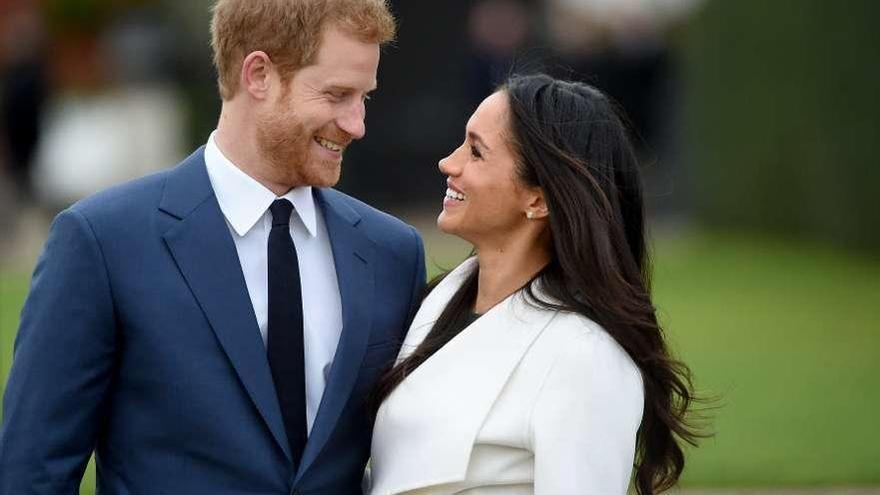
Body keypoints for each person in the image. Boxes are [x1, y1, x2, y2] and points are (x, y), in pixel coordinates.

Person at [0, 1, 425, 493]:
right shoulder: (102, 242)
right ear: (259, 75)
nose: (357, 124)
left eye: (364, 98)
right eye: (337, 95)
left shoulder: (392, 253)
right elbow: (32, 473)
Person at [368, 74, 700, 494]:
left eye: (476, 152)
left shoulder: (585, 357)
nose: (448, 164)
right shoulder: (437, 301)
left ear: (538, 199)